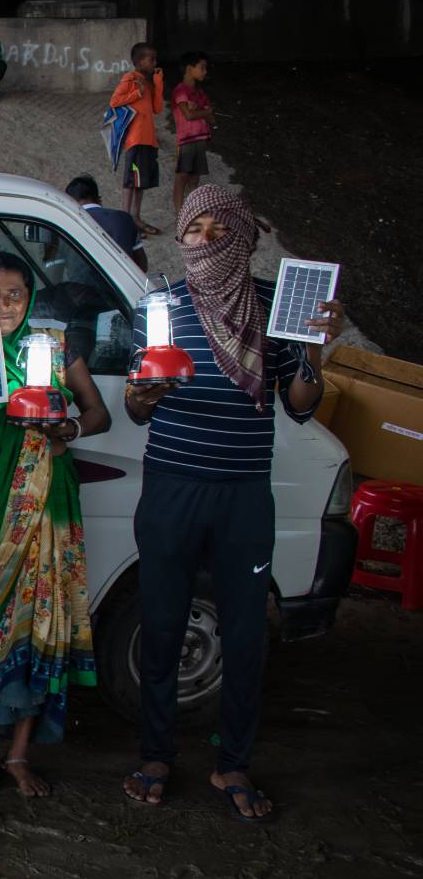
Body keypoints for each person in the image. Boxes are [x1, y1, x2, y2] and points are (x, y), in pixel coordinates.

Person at [121, 185, 343, 823]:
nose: (204, 241)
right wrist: (147, 391)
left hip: (245, 493)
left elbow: (299, 405)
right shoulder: (159, 305)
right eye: (193, 229)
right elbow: (138, 410)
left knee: (246, 635)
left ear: (244, 236)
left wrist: (315, 350)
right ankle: (156, 753)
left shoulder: (276, 306)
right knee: (162, 623)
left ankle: (233, 762)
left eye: (219, 229)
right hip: (172, 486)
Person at [0, 252, 107, 798]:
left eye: (14, 294)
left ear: (30, 298)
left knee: (39, 619)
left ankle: (20, 754)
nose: (3, 305)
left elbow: (98, 412)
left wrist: (68, 429)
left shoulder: (53, 350)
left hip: (45, 502)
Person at [110, 42, 165, 235]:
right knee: (131, 180)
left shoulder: (148, 81)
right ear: (140, 61)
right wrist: (137, 92)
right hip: (135, 139)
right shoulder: (131, 78)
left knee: (141, 181)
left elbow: (157, 108)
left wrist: (158, 83)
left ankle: (136, 216)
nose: (154, 63)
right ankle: (126, 218)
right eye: (151, 59)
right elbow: (114, 101)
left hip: (149, 139)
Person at [66, 175, 149, 271]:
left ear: (70, 202)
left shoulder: (68, 226)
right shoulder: (124, 218)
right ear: (99, 199)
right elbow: (142, 265)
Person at [171, 51, 216, 216]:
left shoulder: (200, 93)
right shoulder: (181, 91)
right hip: (186, 140)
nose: (205, 71)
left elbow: (212, 119)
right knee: (182, 176)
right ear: (189, 69)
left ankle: (192, 212)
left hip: (200, 139)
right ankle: (180, 214)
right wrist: (204, 111)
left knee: (194, 178)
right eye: (202, 68)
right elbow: (189, 115)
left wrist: (202, 111)